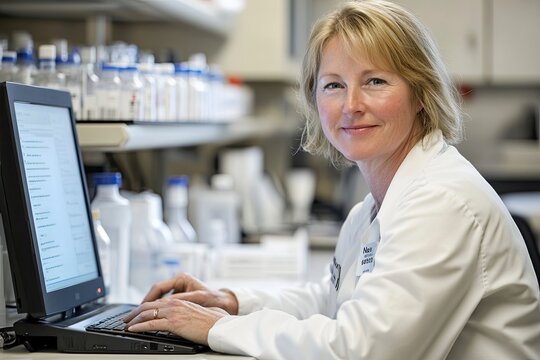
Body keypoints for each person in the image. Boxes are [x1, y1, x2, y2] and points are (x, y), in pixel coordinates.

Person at [123, 1, 540, 358]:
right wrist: (231, 303)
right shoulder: (374, 206)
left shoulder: (441, 203)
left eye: (375, 81)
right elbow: (331, 300)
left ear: (420, 93)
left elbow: (360, 350)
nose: (351, 105)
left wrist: (215, 328)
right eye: (334, 85)